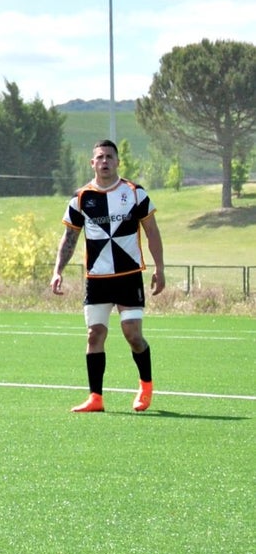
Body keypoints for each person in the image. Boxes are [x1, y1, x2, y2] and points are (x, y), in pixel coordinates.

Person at [50, 139, 165, 414]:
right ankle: (95, 398)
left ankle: (146, 385)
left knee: (133, 335)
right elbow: (69, 238)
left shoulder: (135, 193)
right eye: (99, 157)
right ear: (92, 163)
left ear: (117, 161)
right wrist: (57, 271)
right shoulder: (81, 199)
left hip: (128, 276)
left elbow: (152, 232)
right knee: (94, 335)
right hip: (97, 279)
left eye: (109, 157)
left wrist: (160, 268)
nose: (104, 161)